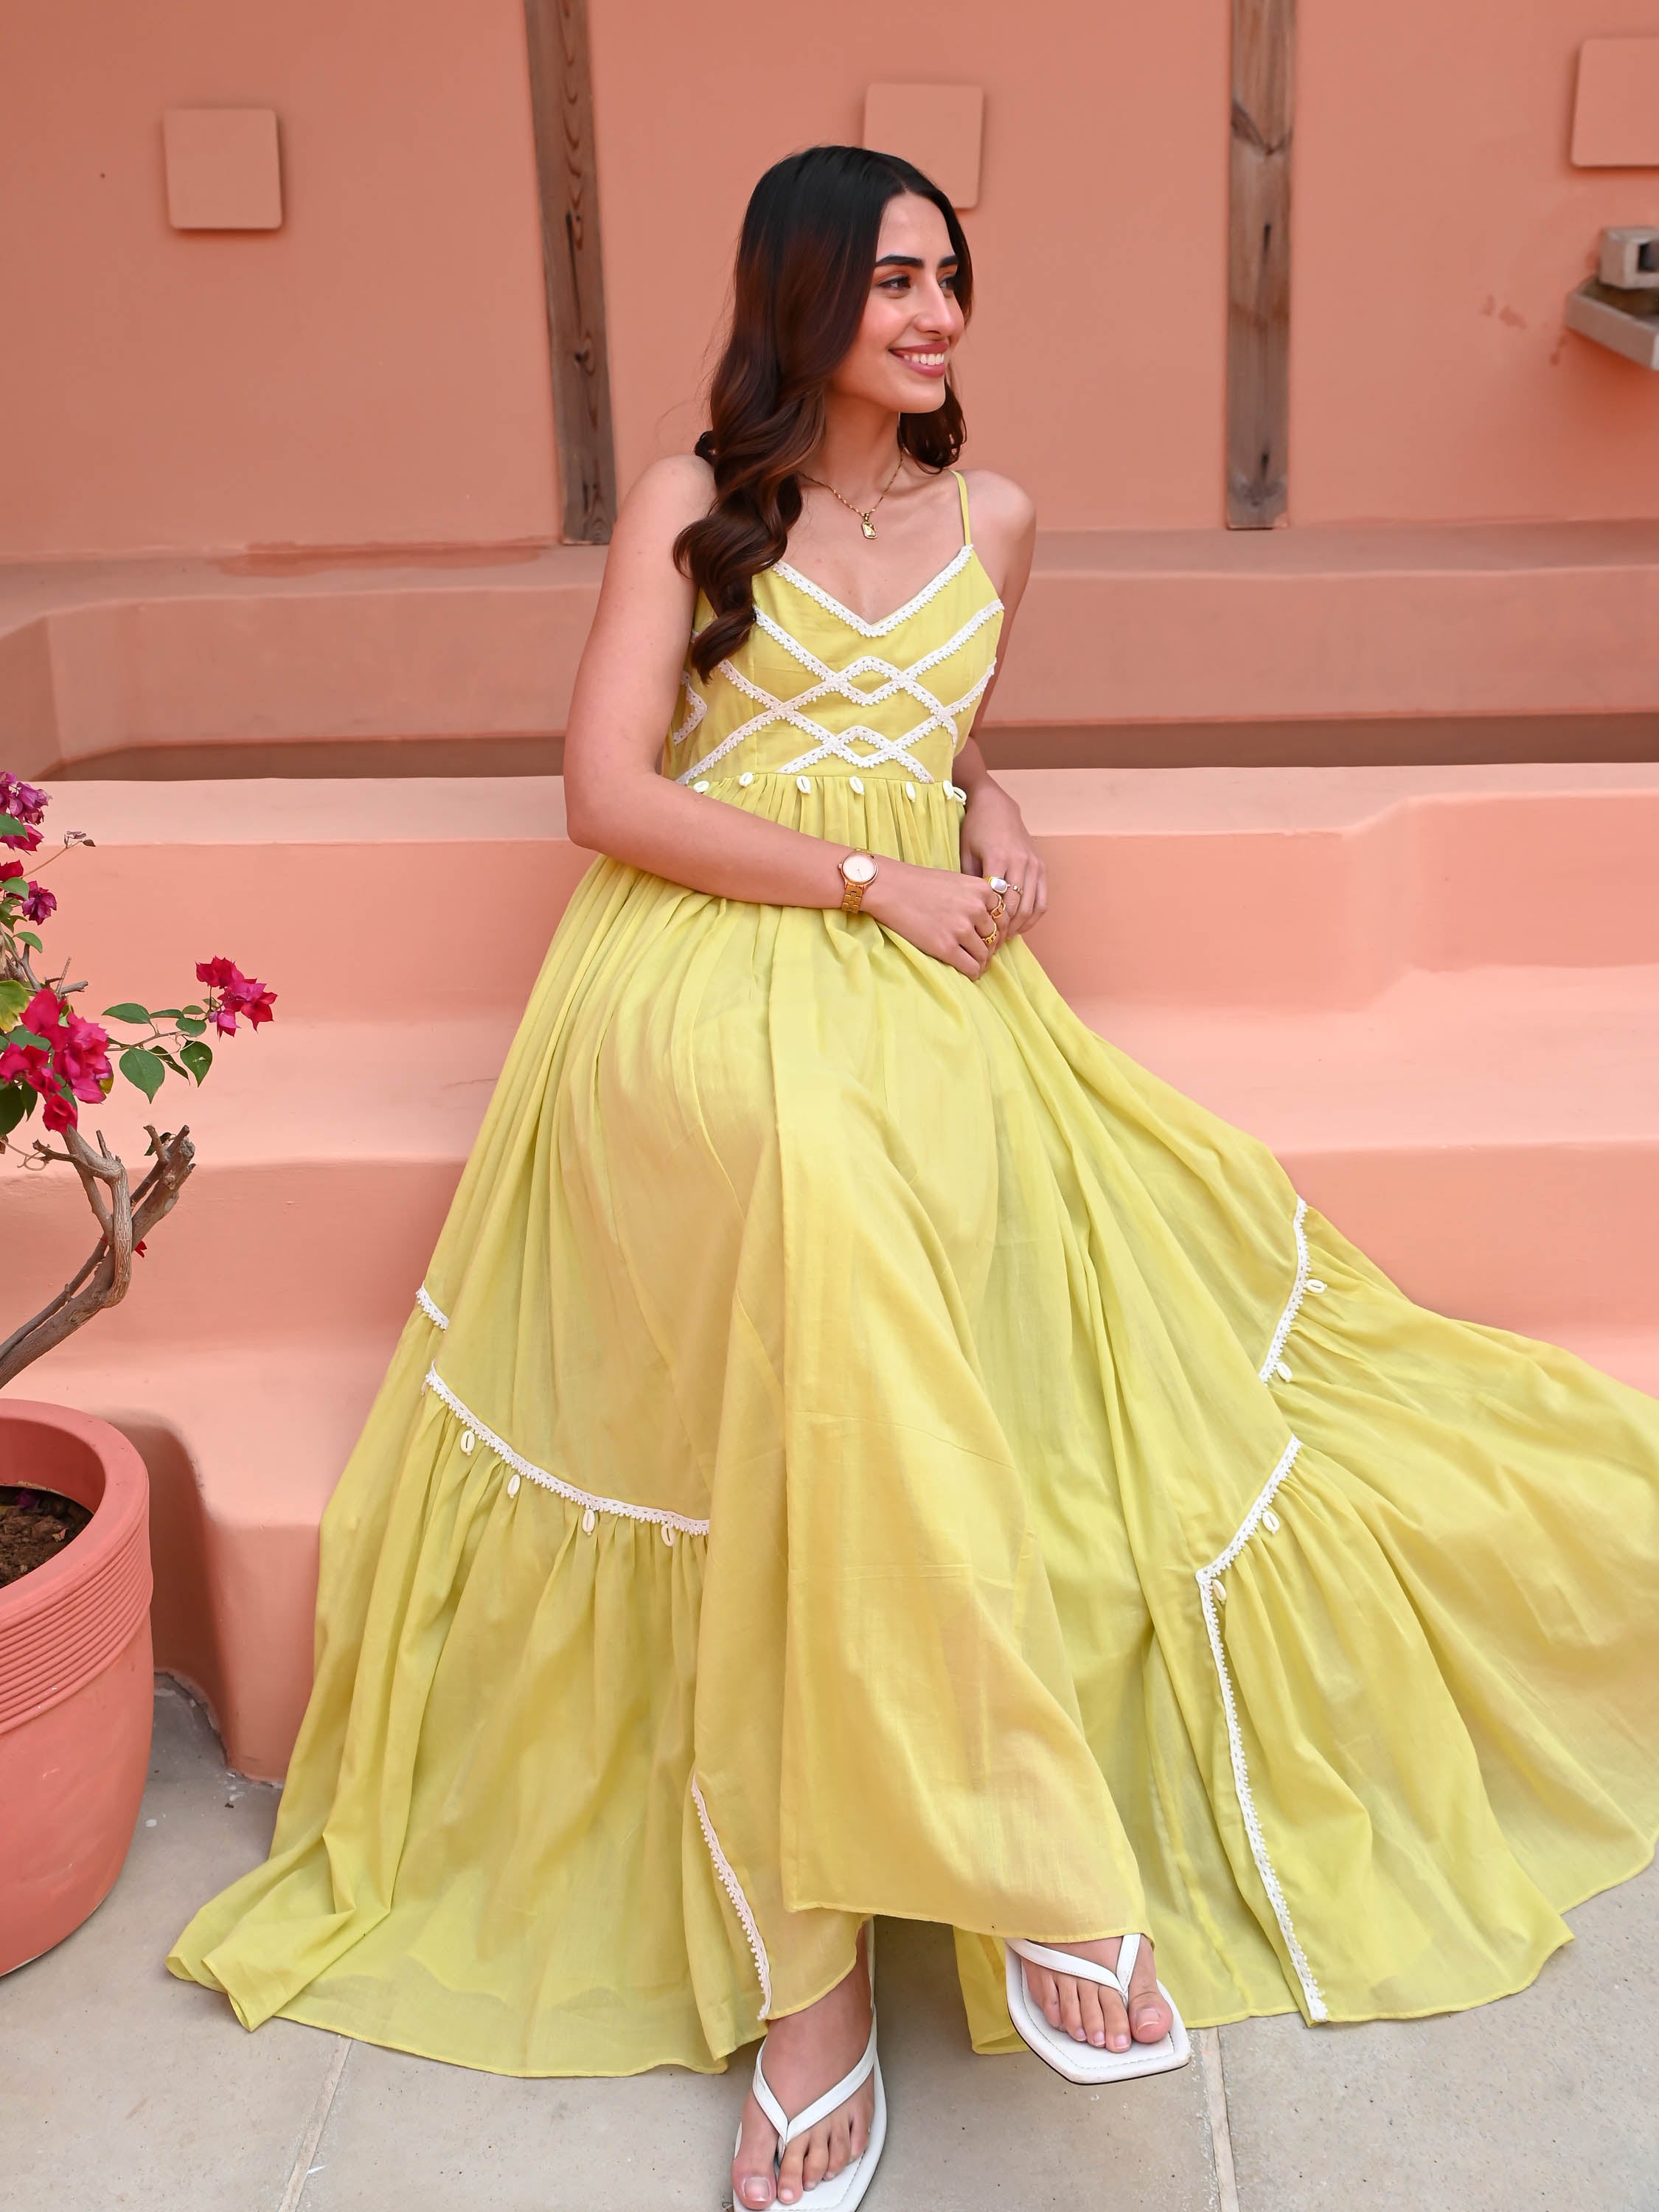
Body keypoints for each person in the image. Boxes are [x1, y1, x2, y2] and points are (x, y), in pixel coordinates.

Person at [170, 146, 1659, 2212]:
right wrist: (879, 883)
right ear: (801, 295)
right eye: (889, 279)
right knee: (818, 1179)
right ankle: (885, 1952)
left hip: (930, 974)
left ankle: (927, 1904)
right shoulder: (692, 505)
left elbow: (920, 723)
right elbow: (608, 791)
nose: (934, 311)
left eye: (948, 275)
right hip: (696, 965)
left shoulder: (999, 521)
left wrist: (994, 807)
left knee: (908, 1209)